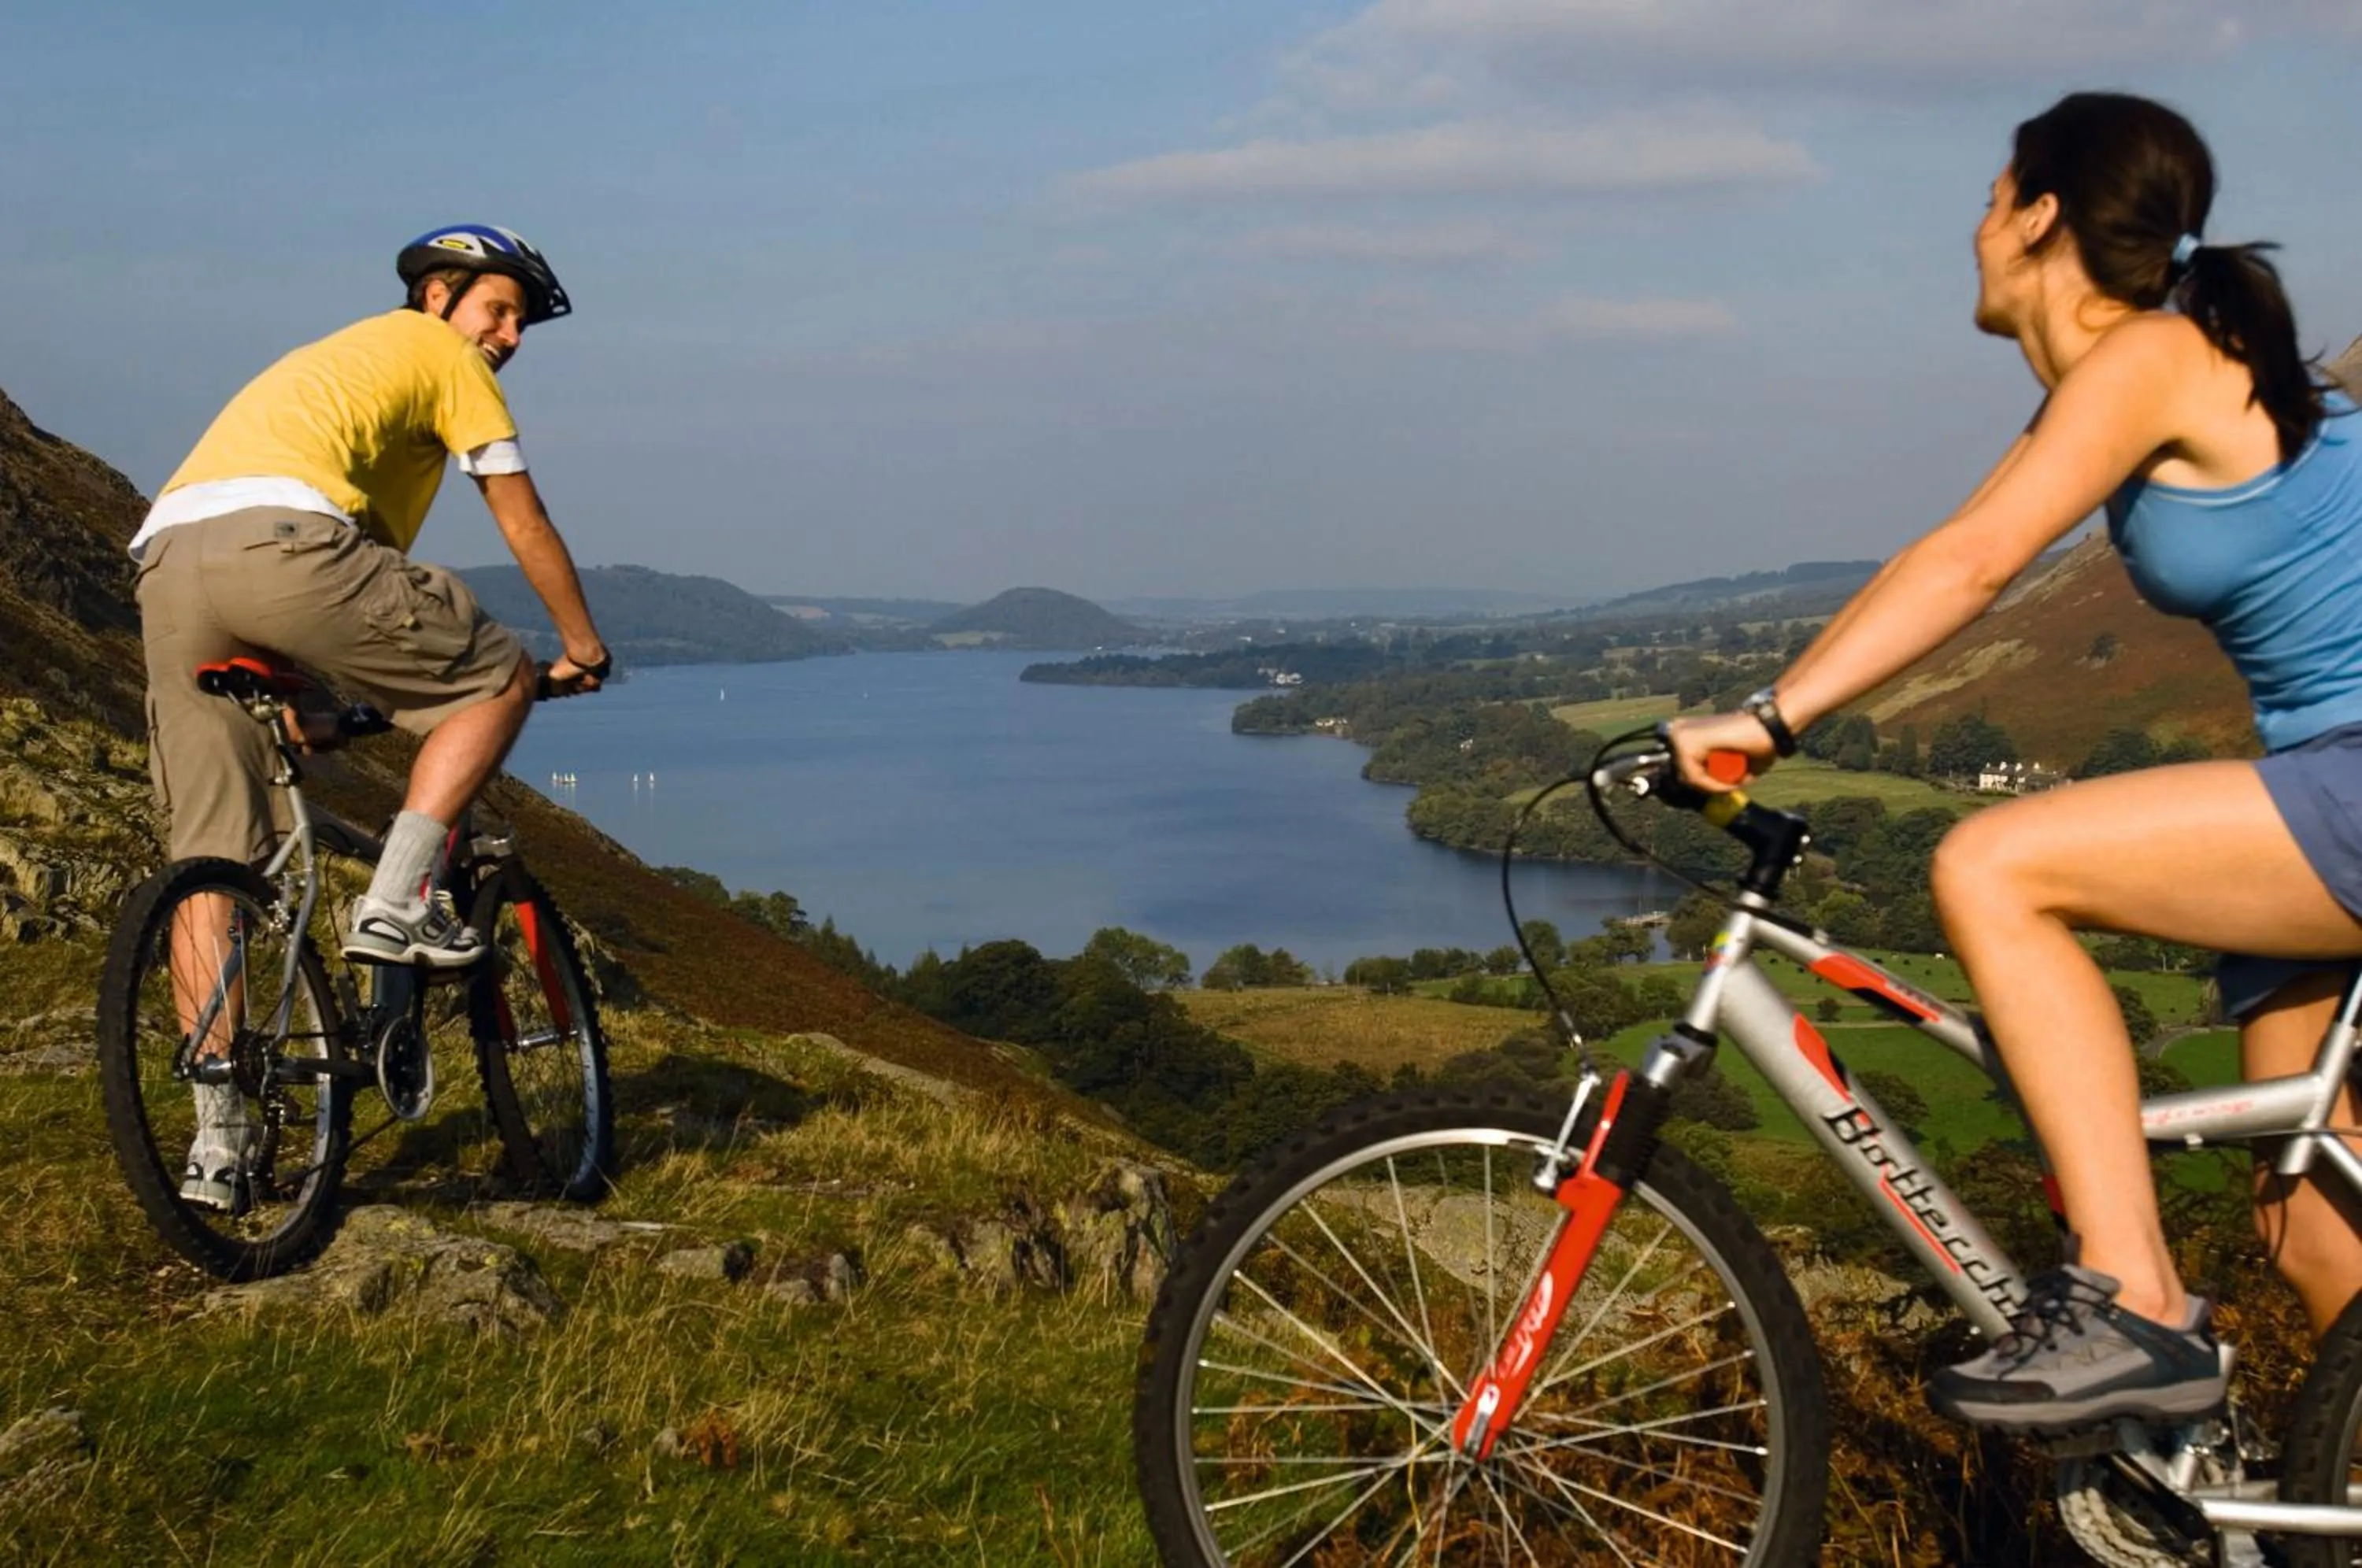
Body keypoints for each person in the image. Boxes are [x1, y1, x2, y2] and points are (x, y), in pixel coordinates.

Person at [1670, 91, 2362, 1431]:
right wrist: (1773, 700)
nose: (1976, 231)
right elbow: (1954, 546)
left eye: (1991, 199)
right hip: (2325, 778)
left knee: (1992, 862)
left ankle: (2133, 1297)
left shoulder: (2153, 357)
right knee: (2315, 1230)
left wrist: (1767, 724)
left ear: (2038, 214)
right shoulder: (2121, 385)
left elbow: (1975, 571)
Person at [130, 224, 611, 1207]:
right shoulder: (442, 355)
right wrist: (580, 647)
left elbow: (336, 610)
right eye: (499, 308)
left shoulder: (337, 369)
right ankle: (395, 903)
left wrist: (324, 706)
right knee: (496, 679)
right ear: (436, 297)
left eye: (519, 320)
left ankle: (219, 1148)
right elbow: (522, 516)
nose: (510, 334)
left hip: (170, 562)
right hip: (286, 541)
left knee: (210, 863)